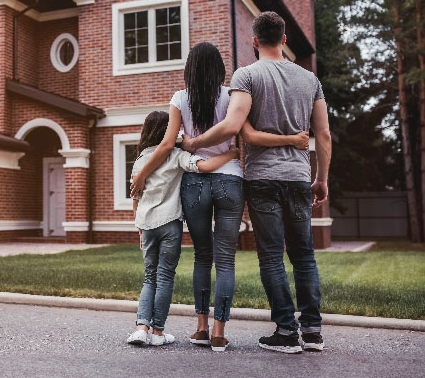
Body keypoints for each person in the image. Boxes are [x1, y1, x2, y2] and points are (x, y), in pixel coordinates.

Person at [130, 42, 309, 352]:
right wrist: (233, 152)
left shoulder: (180, 98)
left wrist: (143, 173)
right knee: (225, 261)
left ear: (189, 68)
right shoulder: (232, 96)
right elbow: (245, 133)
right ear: (219, 69)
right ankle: (218, 333)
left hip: (195, 183)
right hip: (230, 180)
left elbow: (166, 145)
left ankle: (199, 328)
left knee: (202, 255)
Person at [181, 11, 331, 354]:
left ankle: (286, 332)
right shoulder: (310, 80)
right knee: (304, 256)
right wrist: (321, 178)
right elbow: (322, 133)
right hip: (298, 177)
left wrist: (194, 143)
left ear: (254, 41)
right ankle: (313, 331)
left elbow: (234, 127)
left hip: (263, 178)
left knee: (272, 257)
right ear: (284, 39)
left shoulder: (247, 75)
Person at [126, 110, 241, 347]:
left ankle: (140, 328)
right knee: (165, 276)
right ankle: (157, 332)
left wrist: (139, 229)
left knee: (150, 277)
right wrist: (230, 154)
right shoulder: (176, 156)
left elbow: (135, 198)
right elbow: (206, 166)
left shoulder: (139, 161)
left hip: (146, 226)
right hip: (170, 224)